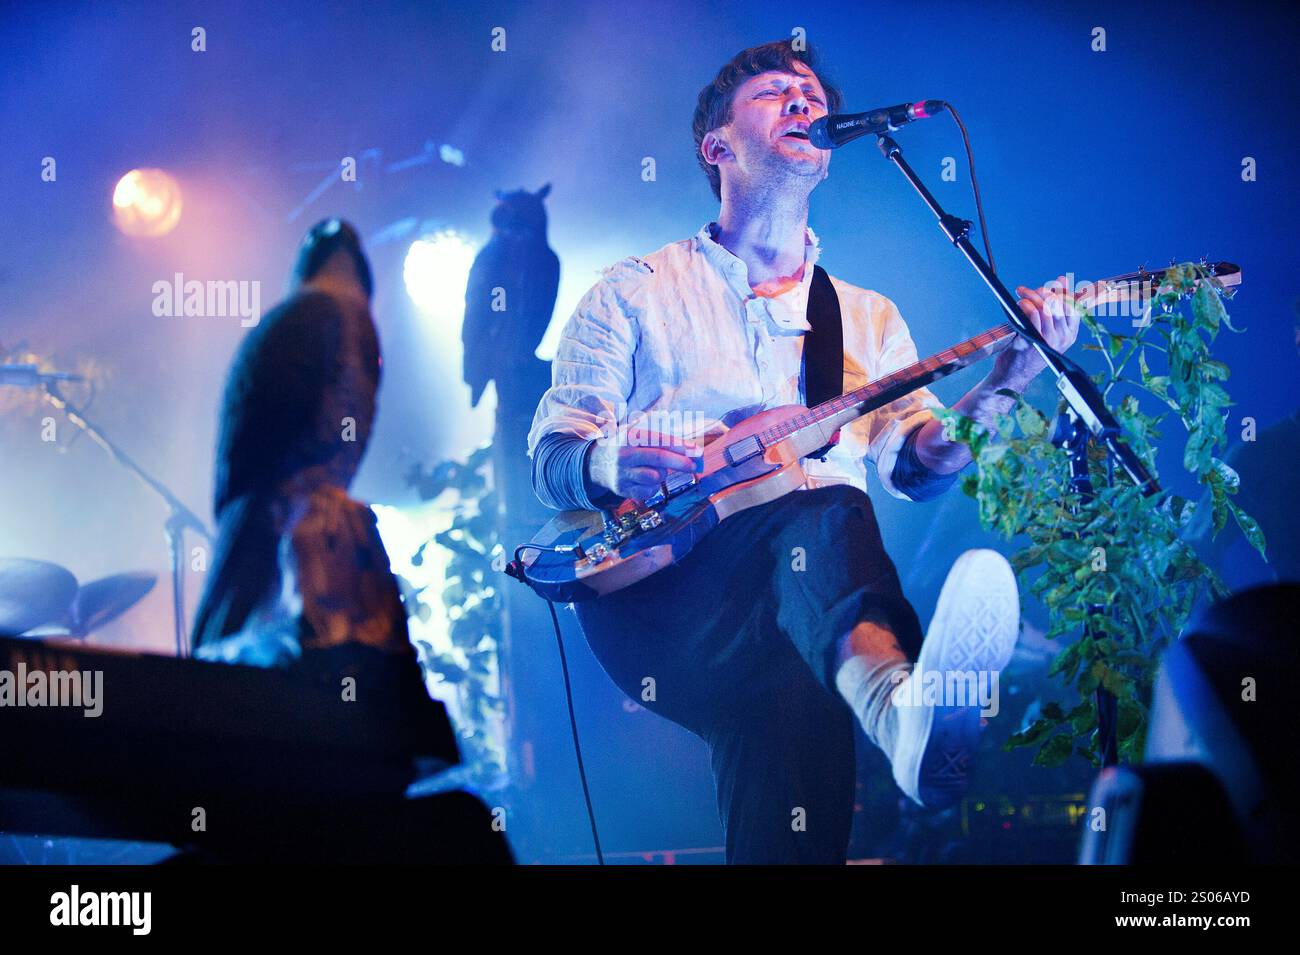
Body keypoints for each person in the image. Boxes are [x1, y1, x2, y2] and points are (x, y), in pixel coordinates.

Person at [528, 40, 1082, 863]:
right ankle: (898, 707)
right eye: (774, 92)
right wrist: (610, 462)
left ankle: (885, 700)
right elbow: (552, 456)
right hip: (667, 595)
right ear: (716, 146)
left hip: (809, 619)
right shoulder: (634, 290)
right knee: (823, 502)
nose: (802, 102)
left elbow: (917, 466)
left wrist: (1006, 384)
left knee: (793, 826)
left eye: (811, 93)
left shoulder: (868, 317)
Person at [190, 219, 412, 669]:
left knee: (319, 638)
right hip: (270, 498)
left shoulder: (352, 323)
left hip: (311, 507)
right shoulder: (308, 314)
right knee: (242, 630)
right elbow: (264, 447)